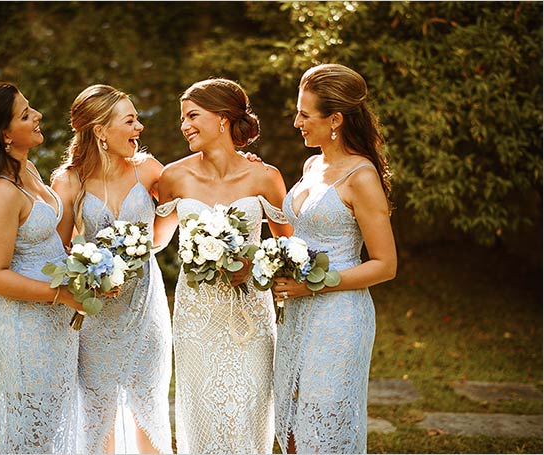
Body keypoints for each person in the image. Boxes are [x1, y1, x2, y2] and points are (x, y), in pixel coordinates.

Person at [155, 78, 294, 454]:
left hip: (249, 313)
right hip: (197, 316)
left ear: (223, 118)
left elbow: (288, 248)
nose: (184, 125)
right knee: (200, 408)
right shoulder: (173, 177)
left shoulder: (265, 176)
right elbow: (154, 241)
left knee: (249, 409)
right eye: (182, 118)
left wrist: (253, 264)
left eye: (192, 115)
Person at [271, 63, 397, 454]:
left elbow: (385, 264)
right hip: (295, 315)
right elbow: (303, 234)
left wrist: (314, 285)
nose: (296, 123)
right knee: (290, 421)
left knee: (322, 426)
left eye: (305, 114)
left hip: (339, 317)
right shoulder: (312, 165)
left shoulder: (361, 176)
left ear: (336, 119)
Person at [0, 81, 82, 454]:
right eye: (25, 114)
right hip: (22, 325)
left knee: (55, 422)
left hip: (54, 317)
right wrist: (60, 292)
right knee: (31, 429)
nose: (37, 115)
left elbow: (46, 242)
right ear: (4, 134)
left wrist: (84, 265)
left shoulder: (29, 172)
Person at [50, 84, 173, 454]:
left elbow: (163, 231)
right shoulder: (69, 181)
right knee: (98, 408)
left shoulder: (149, 169)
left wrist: (239, 157)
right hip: (96, 314)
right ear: (100, 130)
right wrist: (87, 273)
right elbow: (58, 250)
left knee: (148, 403)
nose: (139, 128)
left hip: (145, 308)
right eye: (130, 120)